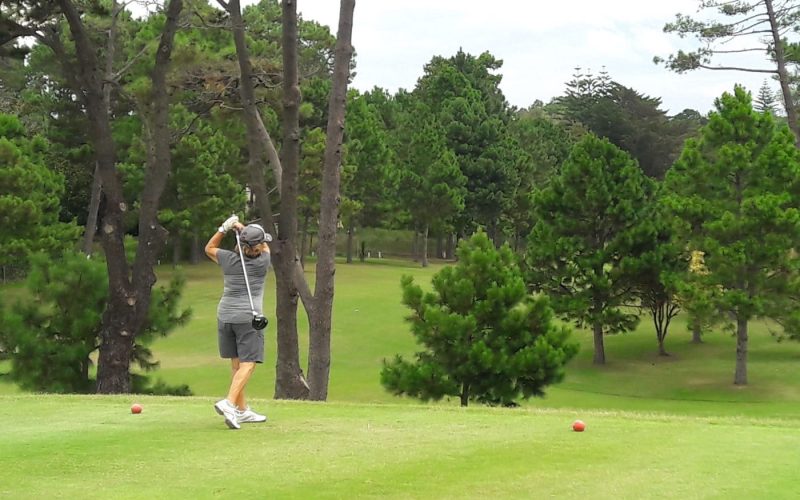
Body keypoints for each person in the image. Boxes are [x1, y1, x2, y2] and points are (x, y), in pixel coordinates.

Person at [205, 214, 272, 430]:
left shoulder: (228, 259)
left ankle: (242, 411)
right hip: (247, 319)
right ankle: (229, 403)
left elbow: (209, 248)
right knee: (248, 363)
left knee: (237, 365)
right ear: (259, 246)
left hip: (225, 316)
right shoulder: (263, 261)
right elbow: (265, 248)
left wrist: (224, 228)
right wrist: (244, 230)